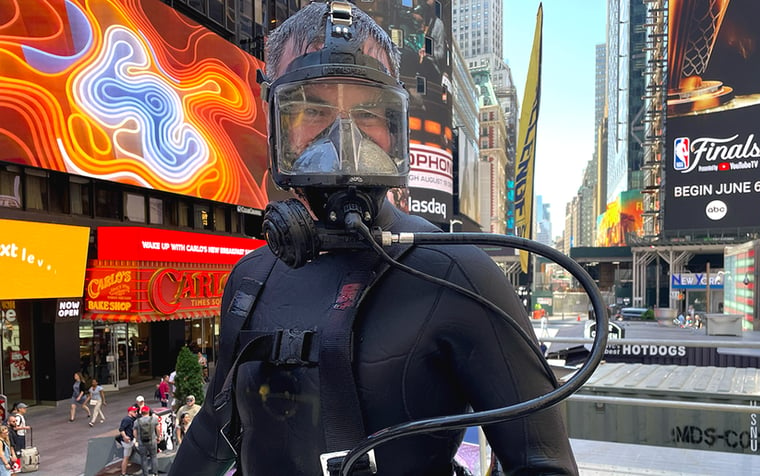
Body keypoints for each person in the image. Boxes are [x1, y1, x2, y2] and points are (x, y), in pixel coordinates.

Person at [171, 2, 578, 475]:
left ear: (394, 125)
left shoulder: (462, 276)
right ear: (275, 122)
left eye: (367, 111)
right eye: (311, 106)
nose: (344, 135)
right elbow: (213, 432)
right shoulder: (249, 280)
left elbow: (544, 465)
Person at [133, 406, 159, 476]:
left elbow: (134, 432)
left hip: (142, 443)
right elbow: (157, 429)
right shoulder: (154, 419)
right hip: (152, 441)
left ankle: (145, 474)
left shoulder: (136, 421)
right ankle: (155, 473)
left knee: (143, 458)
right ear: (148, 412)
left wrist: (137, 440)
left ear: (141, 412)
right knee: (153, 457)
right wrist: (158, 437)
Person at [118, 406, 137, 476]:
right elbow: (121, 429)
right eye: (134, 412)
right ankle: (123, 473)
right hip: (127, 441)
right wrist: (125, 436)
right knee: (126, 457)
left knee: (127, 457)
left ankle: (124, 472)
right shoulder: (127, 419)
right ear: (130, 412)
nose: (136, 413)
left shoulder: (132, 419)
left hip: (130, 440)